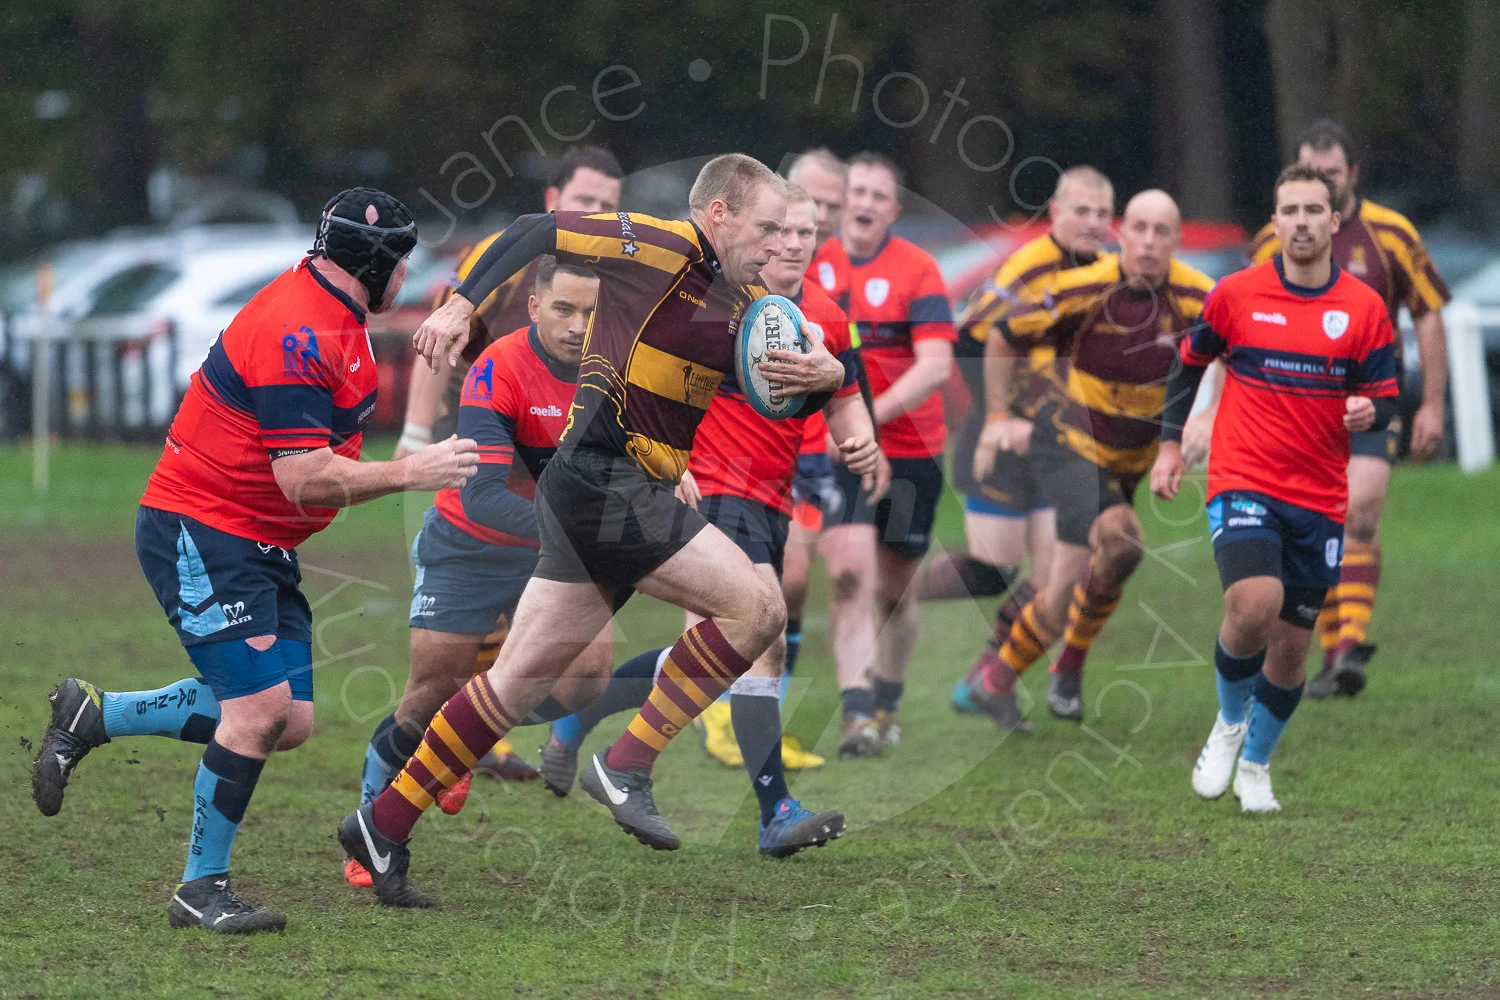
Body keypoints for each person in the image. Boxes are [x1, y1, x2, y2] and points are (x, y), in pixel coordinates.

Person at [338, 154, 850, 908]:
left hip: (605, 490)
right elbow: (535, 228)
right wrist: (459, 305)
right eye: (768, 227)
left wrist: (828, 378)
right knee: (758, 609)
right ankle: (627, 763)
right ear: (720, 215)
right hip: (605, 479)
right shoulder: (660, 245)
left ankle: (381, 823)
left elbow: (781, 394)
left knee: (513, 685)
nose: (783, 243)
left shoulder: (743, 306)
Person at [29, 190, 479, 933]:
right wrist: (411, 472)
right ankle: (199, 888)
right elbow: (302, 477)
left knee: (289, 719)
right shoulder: (297, 329)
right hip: (202, 527)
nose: (408, 274)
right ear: (374, 263)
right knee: (258, 711)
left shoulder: (338, 317)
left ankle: (96, 715)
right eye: (402, 260)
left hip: (255, 541)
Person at [537, 185, 884, 854]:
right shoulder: (719, 300)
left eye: (807, 233)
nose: (791, 244)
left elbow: (843, 394)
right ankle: (773, 810)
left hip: (774, 495)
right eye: (780, 230)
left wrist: (861, 437)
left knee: (713, 649)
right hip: (713, 488)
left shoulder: (827, 316)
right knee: (761, 634)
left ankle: (579, 721)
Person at [344, 257, 611, 886]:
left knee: (587, 678)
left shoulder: (614, 375)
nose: (577, 325)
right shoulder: (499, 368)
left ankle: (460, 737)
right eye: (564, 309)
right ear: (535, 307)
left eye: (591, 312)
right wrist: (575, 528)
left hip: (550, 554)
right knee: (425, 697)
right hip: (468, 543)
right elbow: (484, 494)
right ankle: (370, 831)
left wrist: (671, 471)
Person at [1153, 164, 1398, 811]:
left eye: (1313, 210)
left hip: (1318, 495)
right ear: (1275, 220)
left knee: (1290, 650)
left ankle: (1256, 767)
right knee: (1253, 604)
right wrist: (1171, 444)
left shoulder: (1363, 309)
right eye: (1289, 210)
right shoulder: (1235, 294)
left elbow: (1386, 397)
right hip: (1244, 478)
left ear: (1334, 221)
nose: (1301, 222)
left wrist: (1370, 412)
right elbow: (1188, 365)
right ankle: (1229, 723)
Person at [393, 146, 623, 777]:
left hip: (559, 447)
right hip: (484, 421)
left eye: (607, 205)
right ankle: (472, 735)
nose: (595, 214)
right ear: (553, 202)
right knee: (483, 561)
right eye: (584, 201)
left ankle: (495, 727)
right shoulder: (503, 256)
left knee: (578, 657)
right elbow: (442, 333)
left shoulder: (617, 269)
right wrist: (414, 431)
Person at [968, 190, 1215, 730]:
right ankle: (1058, 669)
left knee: (1096, 570)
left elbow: (1240, 354)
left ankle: (999, 680)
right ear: (1121, 234)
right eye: (1139, 228)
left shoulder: (1202, 297)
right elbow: (1001, 335)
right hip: (1067, 444)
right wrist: (995, 418)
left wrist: (1207, 417)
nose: (1149, 242)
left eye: (1162, 232)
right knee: (1120, 539)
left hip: (1130, 459)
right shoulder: (1081, 287)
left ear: (1177, 239)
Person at [1246, 120, 1450, 698]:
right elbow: (1244, 324)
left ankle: (1345, 650)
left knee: (1358, 511)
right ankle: (1324, 650)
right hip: (1297, 408)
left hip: (1371, 397)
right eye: (1311, 174)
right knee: (1310, 527)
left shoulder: (1392, 234)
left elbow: (1428, 312)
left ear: (1353, 174)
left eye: (1331, 174)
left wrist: (1433, 404)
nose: (1323, 185)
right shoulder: (1269, 242)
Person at [931, 166, 1114, 722]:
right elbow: (970, 336)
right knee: (995, 570)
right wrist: (997, 416)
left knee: (1056, 578)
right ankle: (891, 589)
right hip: (1006, 440)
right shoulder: (1029, 265)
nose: (1093, 222)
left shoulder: (1107, 272)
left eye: (1102, 213)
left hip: (1060, 445)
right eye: (1081, 210)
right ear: (1055, 213)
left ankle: (987, 679)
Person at [812, 152, 955, 755]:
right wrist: (841, 429)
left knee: (897, 588)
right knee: (849, 573)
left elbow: (936, 366)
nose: (865, 203)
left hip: (913, 449)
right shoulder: (813, 263)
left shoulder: (918, 270)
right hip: (841, 450)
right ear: (843, 200)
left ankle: (888, 701)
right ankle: (857, 712)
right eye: (858, 192)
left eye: (879, 195)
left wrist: (867, 419)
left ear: (894, 209)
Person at [775, 149, 856, 753]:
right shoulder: (742, 275)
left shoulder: (833, 279)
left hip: (807, 459)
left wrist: (857, 435)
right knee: (753, 590)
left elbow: (846, 372)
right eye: (812, 204)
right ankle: (726, 715)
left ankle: (760, 715)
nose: (821, 218)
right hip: (733, 462)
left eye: (831, 206)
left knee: (793, 585)